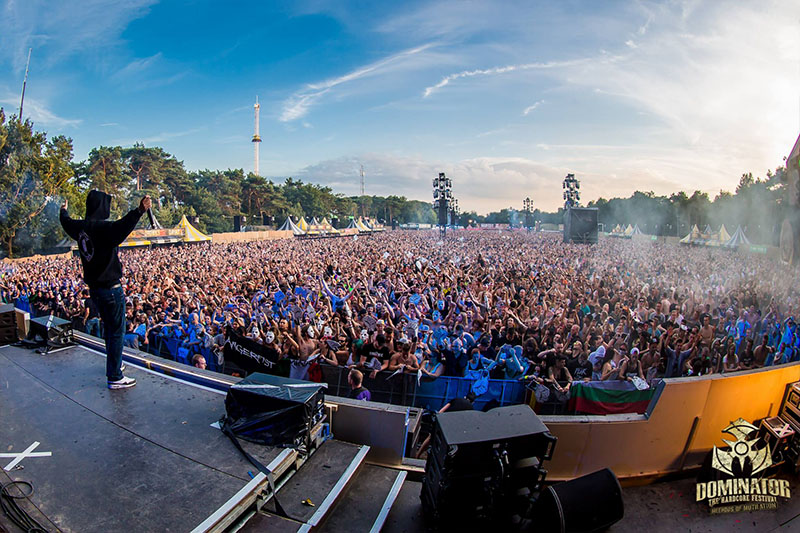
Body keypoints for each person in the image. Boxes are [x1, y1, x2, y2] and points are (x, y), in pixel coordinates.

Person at [60, 191, 151, 389]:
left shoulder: (80, 227)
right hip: (110, 289)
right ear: (102, 207)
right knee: (116, 331)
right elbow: (122, 226)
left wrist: (63, 210)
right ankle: (115, 377)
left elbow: (66, 221)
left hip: (95, 289)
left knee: (110, 330)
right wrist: (139, 211)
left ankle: (114, 366)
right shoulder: (103, 228)